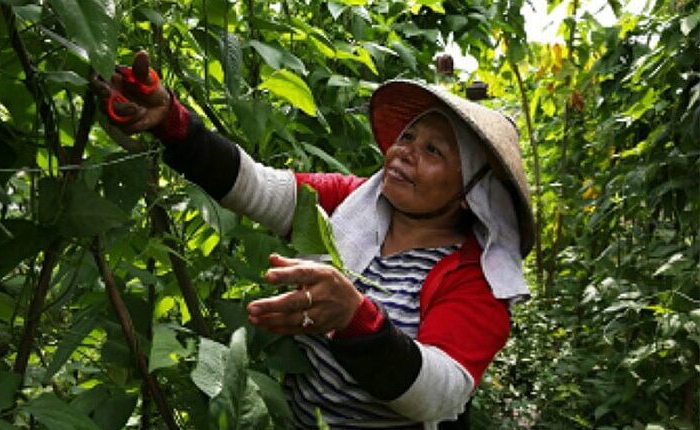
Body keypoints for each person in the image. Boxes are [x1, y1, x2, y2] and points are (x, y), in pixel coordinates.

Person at [93, 51, 534, 429]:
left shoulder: (477, 278)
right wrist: (172, 122)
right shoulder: (353, 203)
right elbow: (257, 186)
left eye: (434, 151)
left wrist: (355, 319)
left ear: (470, 194)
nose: (404, 151)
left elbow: (438, 394)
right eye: (408, 136)